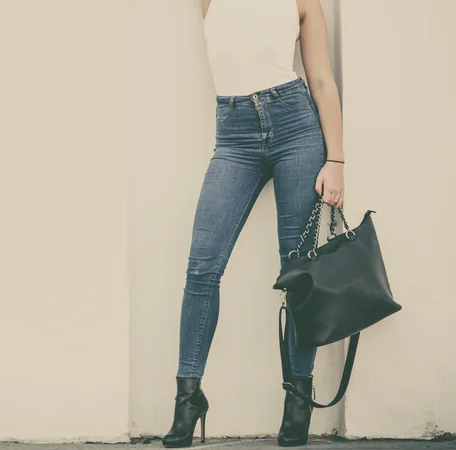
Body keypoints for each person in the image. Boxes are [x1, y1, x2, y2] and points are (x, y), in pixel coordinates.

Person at [162, 0, 345, 448]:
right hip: (234, 135)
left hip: (296, 129)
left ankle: (298, 397)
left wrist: (336, 160)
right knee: (202, 268)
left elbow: (320, 80)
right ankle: (188, 400)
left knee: (296, 272)